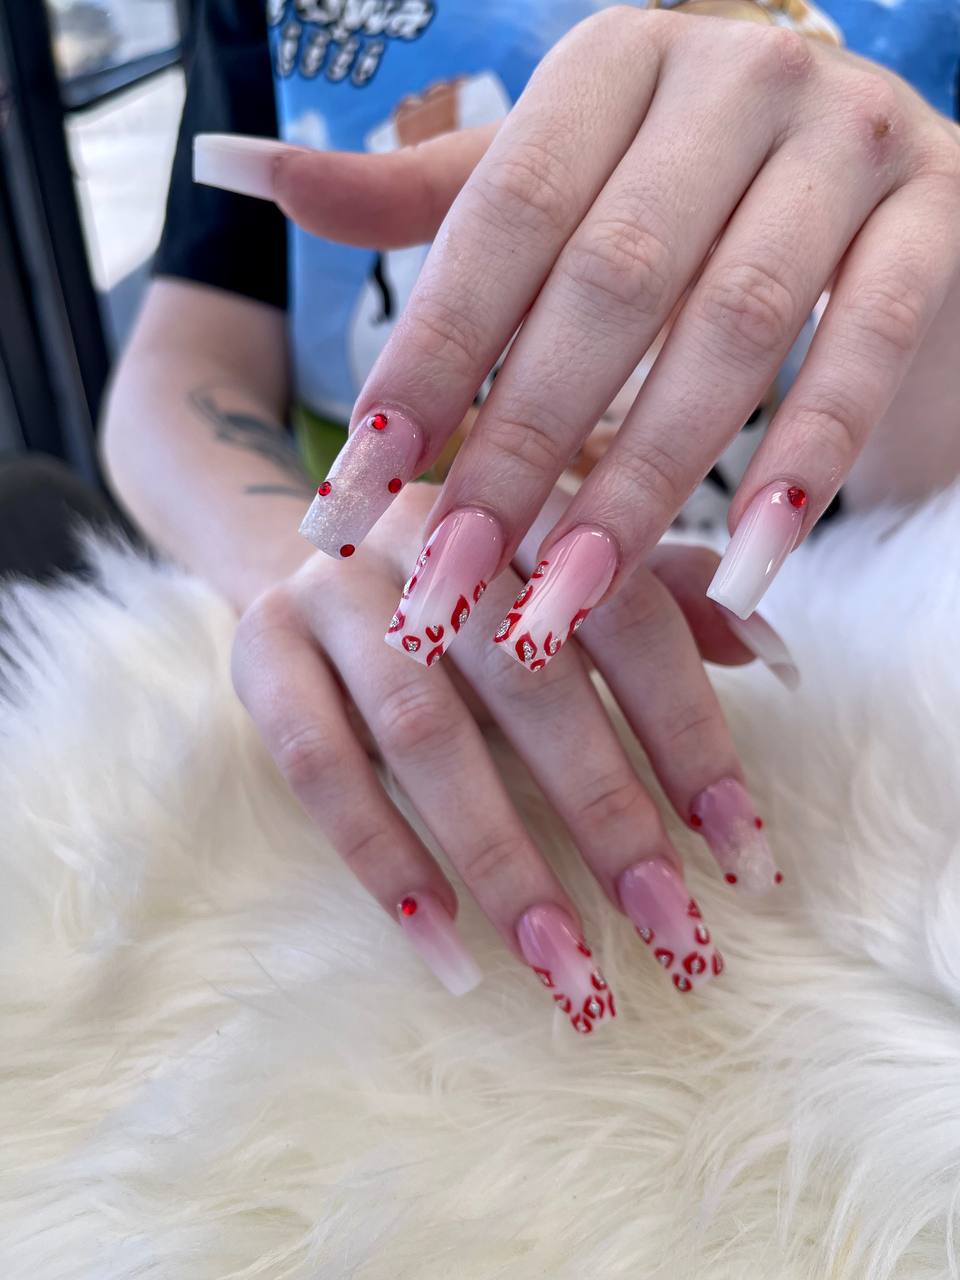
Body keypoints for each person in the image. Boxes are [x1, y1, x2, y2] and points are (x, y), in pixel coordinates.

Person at [101, 0, 960, 1030]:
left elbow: (924, 528)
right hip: (394, 680)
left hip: (832, 713)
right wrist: (320, 565)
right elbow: (179, 371)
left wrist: (931, 240)